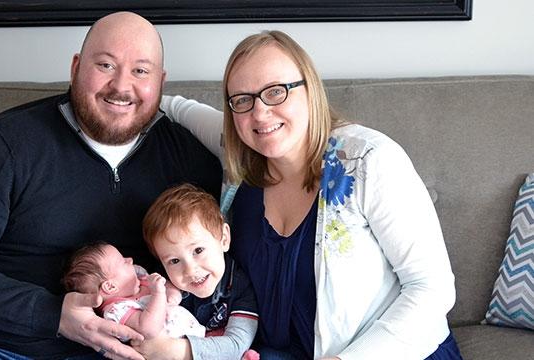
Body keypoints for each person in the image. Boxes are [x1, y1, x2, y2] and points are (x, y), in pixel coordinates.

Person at [0, 11, 222, 360]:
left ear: (160, 82)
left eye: (141, 71)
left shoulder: (188, 159)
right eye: (105, 65)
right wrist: (53, 315)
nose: (120, 85)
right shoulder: (4, 145)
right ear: (75, 68)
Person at [157, 31, 463, 359]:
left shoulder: (368, 161)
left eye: (276, 92)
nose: (259, 113)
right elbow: (178, 107)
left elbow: (432, 291)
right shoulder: (242, 154)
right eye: (243, 100)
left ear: (309, 89)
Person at [140, 183, 259, 360]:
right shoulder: (161, 285)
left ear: (224, 239)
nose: (190, 270)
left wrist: (176, 350)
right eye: (174, 261)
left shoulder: (239, 286)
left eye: (198, 250)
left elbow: (237, 344)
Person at [62, 242, 206, 339]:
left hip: (195, 338)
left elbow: (166, 285)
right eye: (123, 262)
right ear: (110, 287)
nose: (130, 259)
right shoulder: (117, 310)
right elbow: (149, 329)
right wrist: (158, 294)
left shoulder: (138, 279)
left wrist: (172, 293)